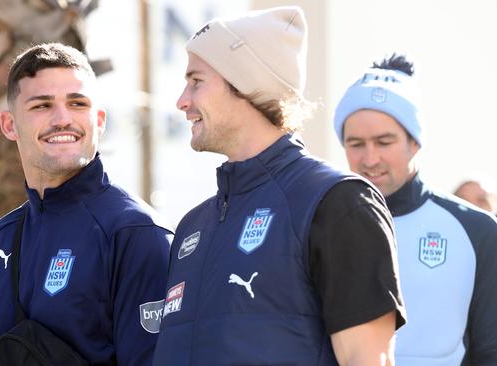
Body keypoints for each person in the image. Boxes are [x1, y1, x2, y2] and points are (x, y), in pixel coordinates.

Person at [153, 7, 406, 366]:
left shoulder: (338, 202)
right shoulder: (194, 225)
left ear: (246, 85)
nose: (182, 100)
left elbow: (368, 359)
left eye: (197, 81)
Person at [0, 43, 172, 365]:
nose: (62, 119)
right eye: (42, 105)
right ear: (9, 125)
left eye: (77, 103)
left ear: (99, 120)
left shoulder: (135, 233)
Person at [333, 53, 497, 365]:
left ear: (416, 142)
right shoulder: (321, 227)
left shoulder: (479, 231)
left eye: (384, 142)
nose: (369, 159)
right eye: (356, 144)